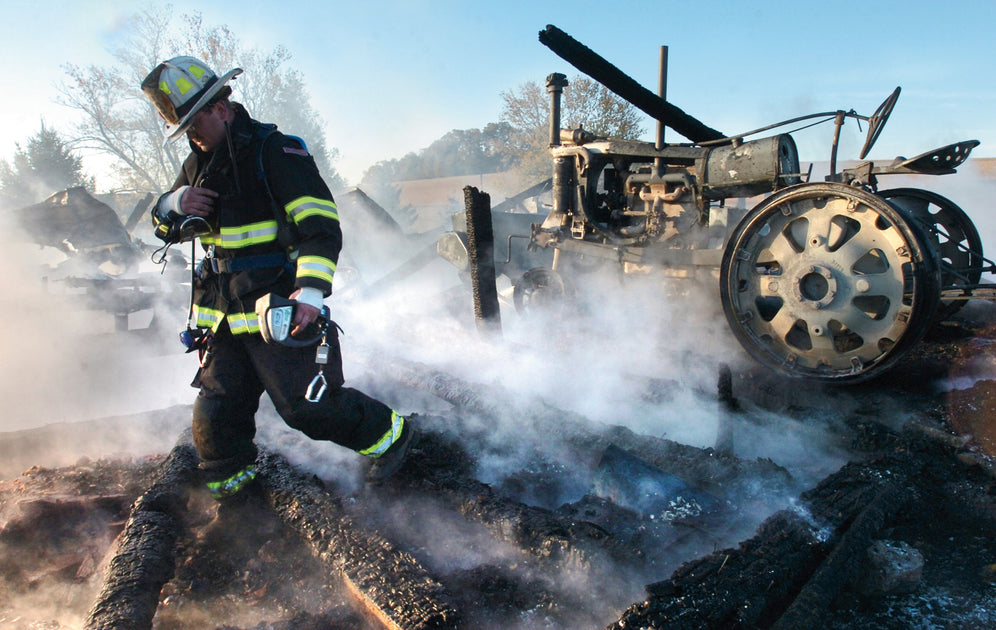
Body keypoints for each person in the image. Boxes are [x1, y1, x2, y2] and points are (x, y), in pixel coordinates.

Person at [140, 56, 417, 519]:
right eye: (183, 129)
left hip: (278, 309)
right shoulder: (197, 167)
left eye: (194, 124)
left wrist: (310, 293)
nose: (192, 136)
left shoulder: (276, 151)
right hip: (223, 318)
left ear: (220, 108)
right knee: (215, 421)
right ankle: (240, 509)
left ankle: (393, 437)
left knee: (308, 408)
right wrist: (175, 202)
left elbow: (320, 227)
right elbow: (163, 228)